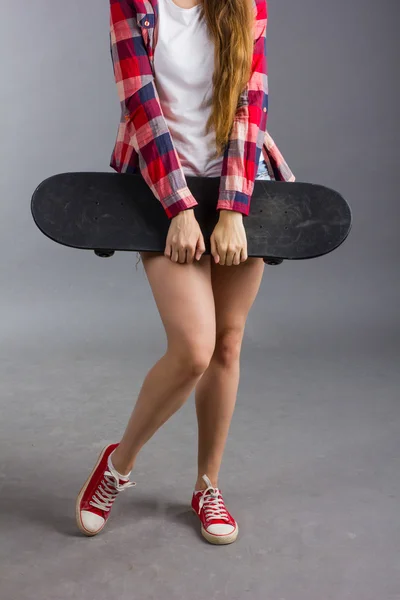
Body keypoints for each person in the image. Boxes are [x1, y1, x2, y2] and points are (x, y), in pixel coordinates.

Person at [76, 0, 294, 545]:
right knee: (193, 349)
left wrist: (232, 210)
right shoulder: (134, 4)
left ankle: (207, 485)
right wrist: (178, 208)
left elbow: (251, 99)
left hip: (238, 184)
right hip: (160, 186)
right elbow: (140, 106)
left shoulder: (247, 4)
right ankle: (117, 466)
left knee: (226, 345)